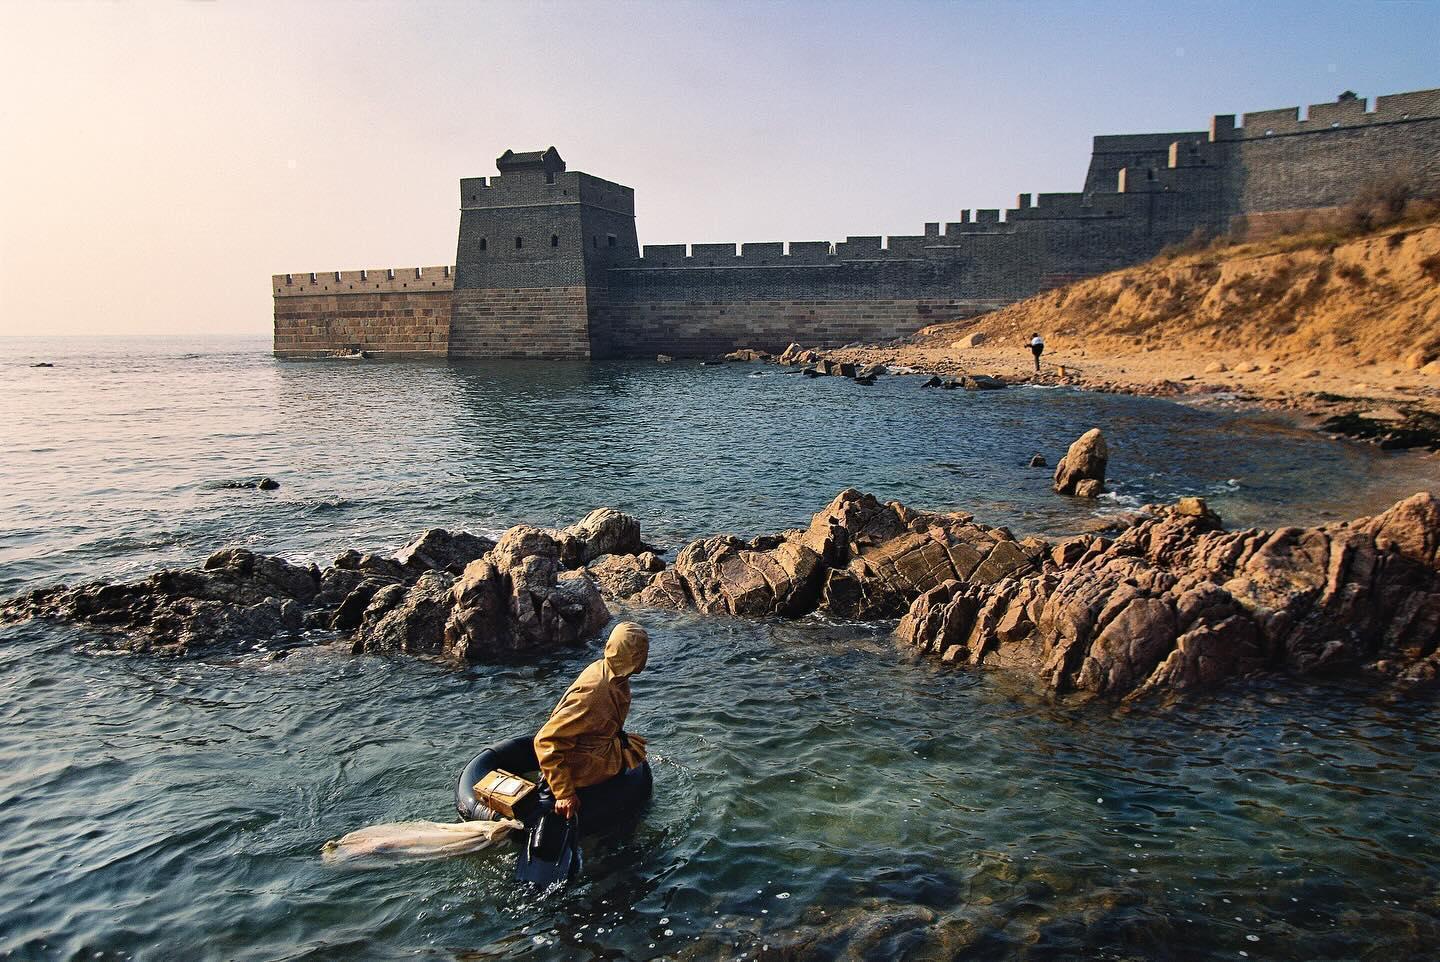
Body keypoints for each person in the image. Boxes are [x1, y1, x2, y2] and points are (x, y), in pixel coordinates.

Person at [533, 622, 650, 824]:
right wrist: (564, 793)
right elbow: (546, 740)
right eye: (638, 652)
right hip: (581, 764)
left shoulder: (612, 674)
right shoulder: (594, 692)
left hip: (599, 746)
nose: (643, 657)